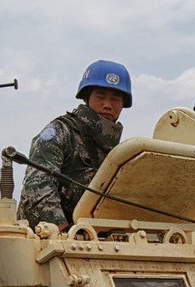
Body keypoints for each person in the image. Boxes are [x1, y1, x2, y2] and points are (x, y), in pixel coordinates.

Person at [20, 60, 131, 228]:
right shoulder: (60, 132)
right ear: (87, 97)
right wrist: (62, 231)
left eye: (115, 99)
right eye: (100, 97)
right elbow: (38, 184)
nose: (107, 105)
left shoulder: (119, 150)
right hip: (46, 238)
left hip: (92, 236)